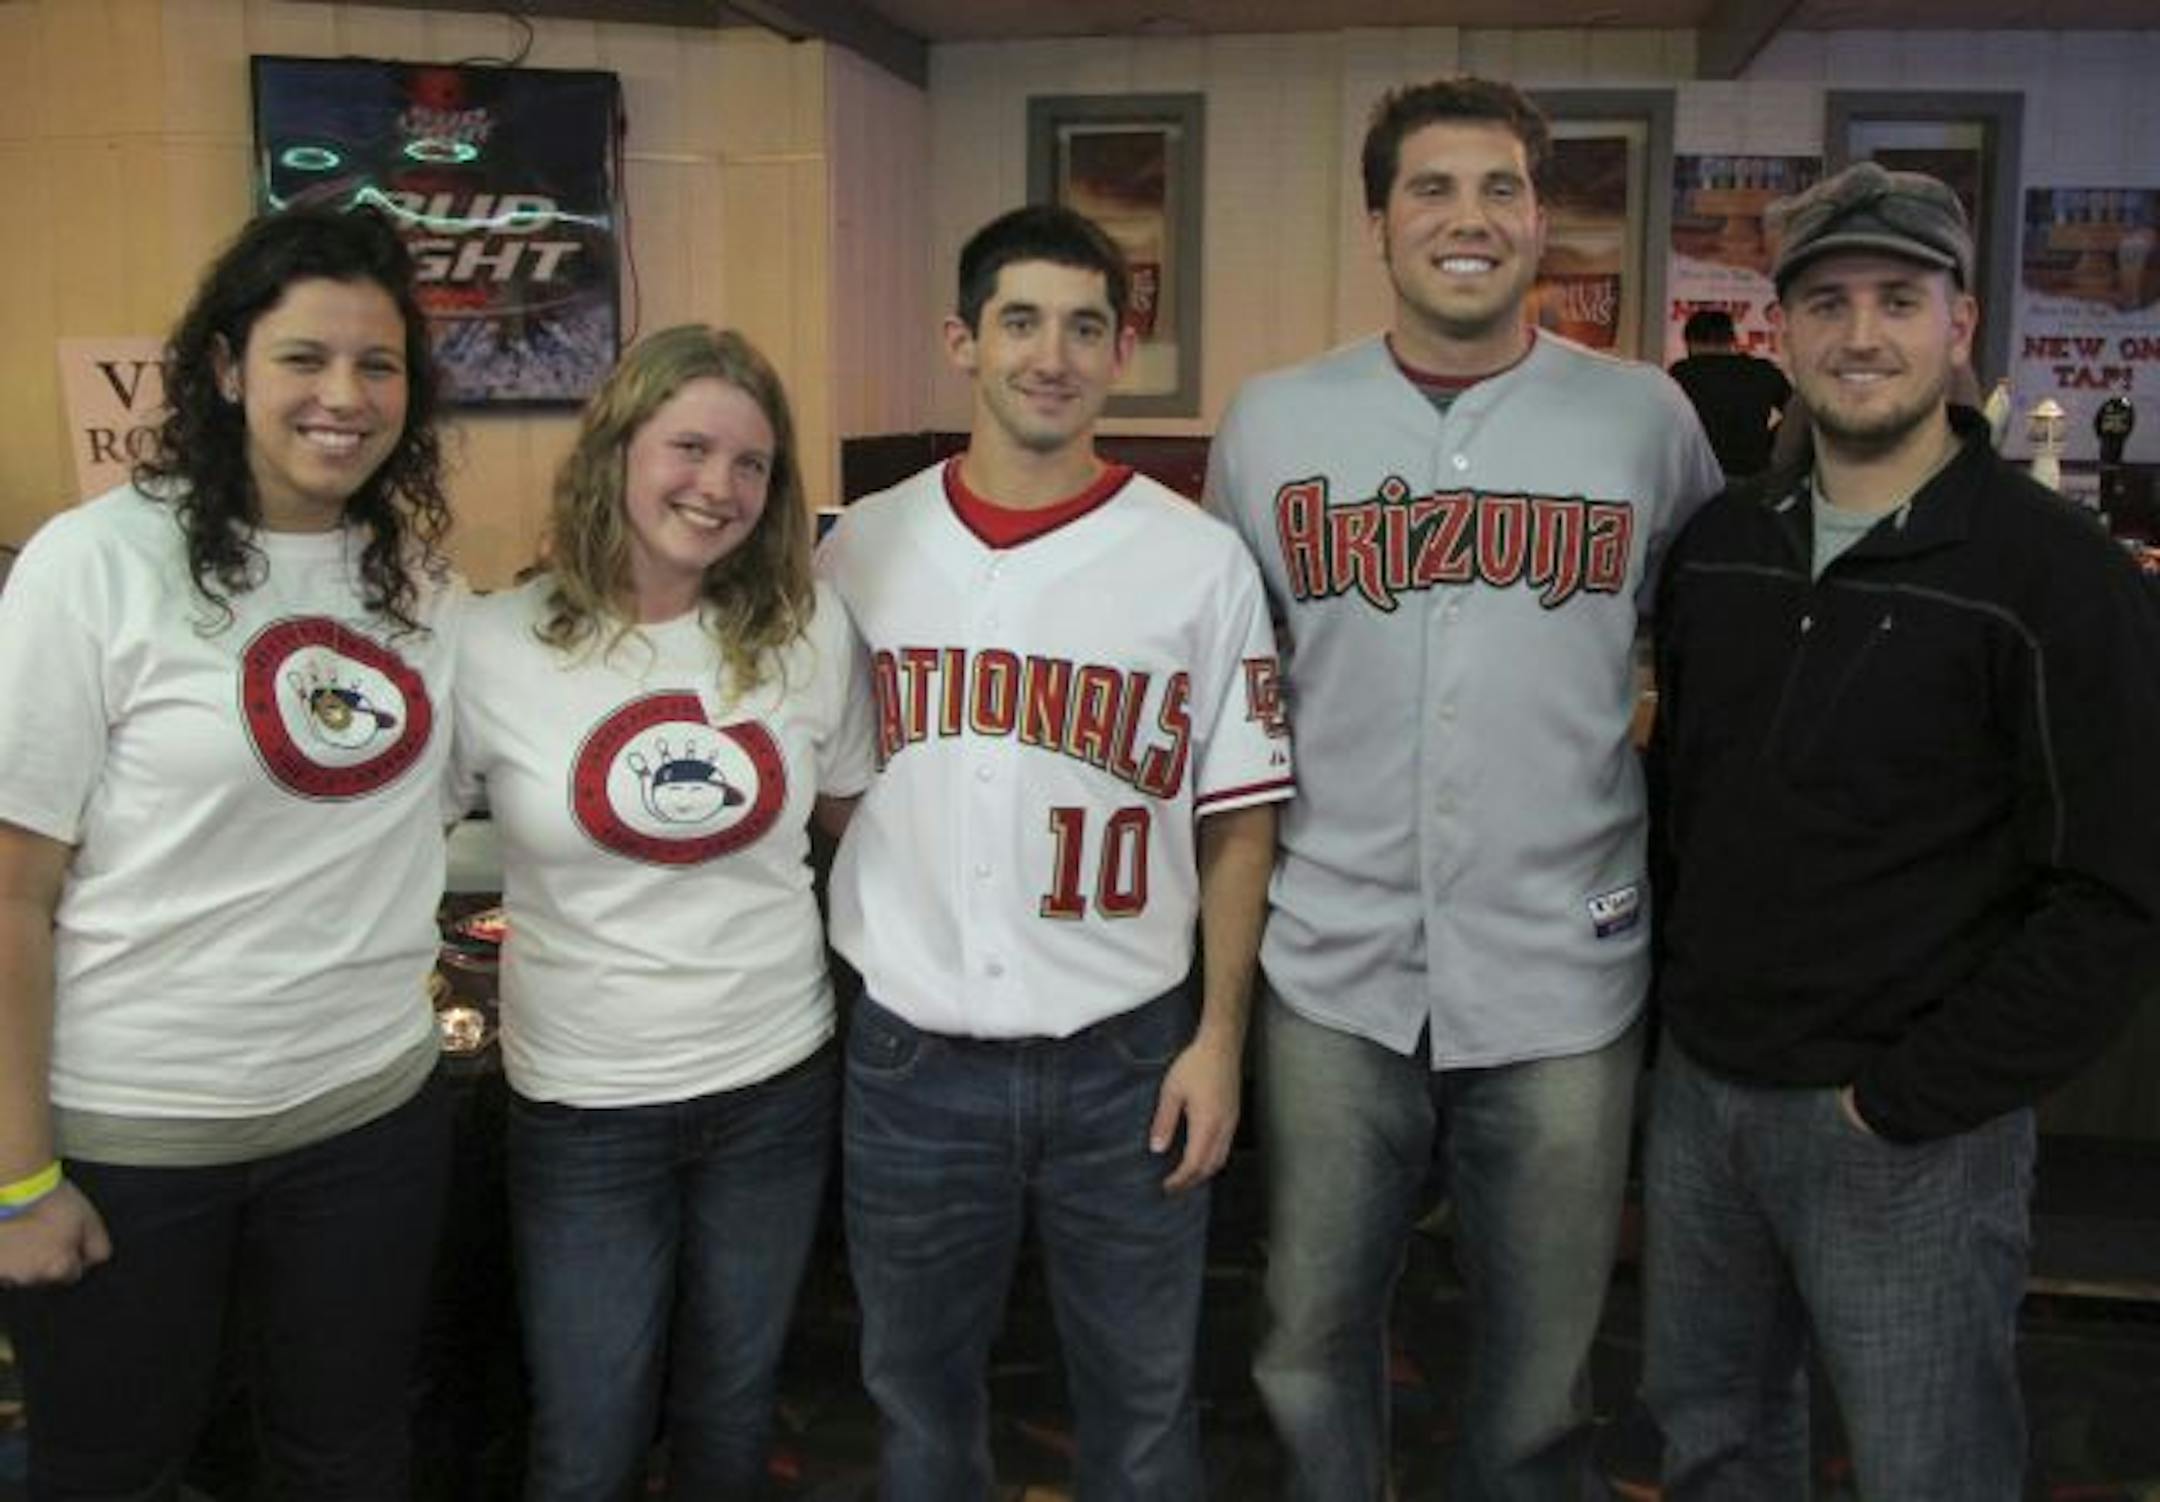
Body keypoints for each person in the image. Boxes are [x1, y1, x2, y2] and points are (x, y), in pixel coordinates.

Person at [1205, 76, 1722, 1499]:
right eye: (1431, 188)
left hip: (1566, 958)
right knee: (1305, 1338)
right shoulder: (1271, 421)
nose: (1468, 217)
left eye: (1500, 187)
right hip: (1335, 956)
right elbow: (1224, 691)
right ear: (1379, 222)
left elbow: (1708, 636)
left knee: (1544, 1362)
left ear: (1542, 220)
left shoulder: (1646, 419)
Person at [1643, 161, 2160, 1498]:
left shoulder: (2056, 575)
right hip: (1706, 1103)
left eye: (1896, 298)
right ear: (1781, 332)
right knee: (1710, 1447)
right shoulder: (1718, 549)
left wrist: (1908, 1100)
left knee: (1928, 1467)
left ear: (1960, 321)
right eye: (1825, 302)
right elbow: (1685, 811)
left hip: (1905, 1131)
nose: (1860, 334)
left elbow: (2113, 891)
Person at [818, 203, 1292, 1500]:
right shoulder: (857, 546)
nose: (1054, 354)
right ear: (962, 340)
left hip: (1127, 1058)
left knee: (1143, 1416)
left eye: (1088, 327)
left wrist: (1219, 1040)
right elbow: (816, 782)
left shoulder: (1198, 559)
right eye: (1021, 321)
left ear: (1121, 352)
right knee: (916, 1410)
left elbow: (1240, 814)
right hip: (912, 1054)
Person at [0, 205, 461, 1496]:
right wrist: (17, 1175)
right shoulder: (93, 566)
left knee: (348, 1451)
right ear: (223, 368)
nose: (344, 396)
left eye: (379, 365)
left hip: (367, 1120)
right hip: (134, 1142)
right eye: (304, 358)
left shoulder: (418, 584)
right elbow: (11, 894)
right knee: (117, 1468)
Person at [450, 324, 873, 1501]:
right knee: (587, 1432)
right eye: (690, 446)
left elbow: (857, 822)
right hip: (586, 1108)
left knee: (732, 1414)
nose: (720, 486)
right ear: (618, 449)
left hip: (774, 1087)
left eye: (752, 464)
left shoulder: (806, 630)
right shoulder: (491, 644)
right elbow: (385, 838)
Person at [1667, 307, 1791, 479]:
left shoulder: (1682, 374)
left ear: (1689, 341)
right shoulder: (1762, 371)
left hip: (1698, 477)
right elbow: (1798, 411)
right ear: (1732, 339)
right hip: (1754, 474)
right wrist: (1768, 442)